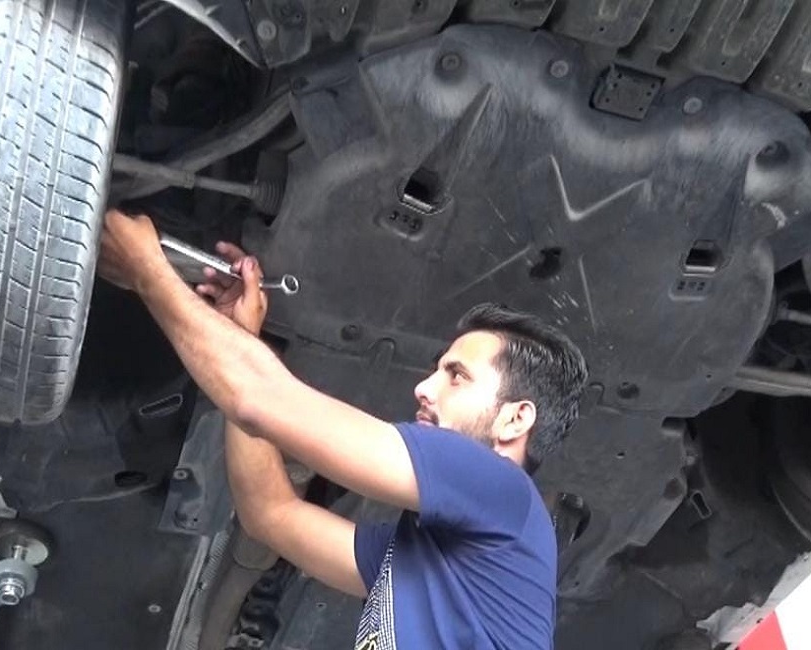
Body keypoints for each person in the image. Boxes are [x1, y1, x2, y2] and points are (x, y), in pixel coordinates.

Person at [98, 209, 589, 650]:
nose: (423, 387)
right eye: (436, 370)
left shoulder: (502, 491)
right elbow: (270, 514)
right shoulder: (422, 557)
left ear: (515, 419)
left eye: (456, 376)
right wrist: (239, 338)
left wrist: (148, 270)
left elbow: (259, 399)